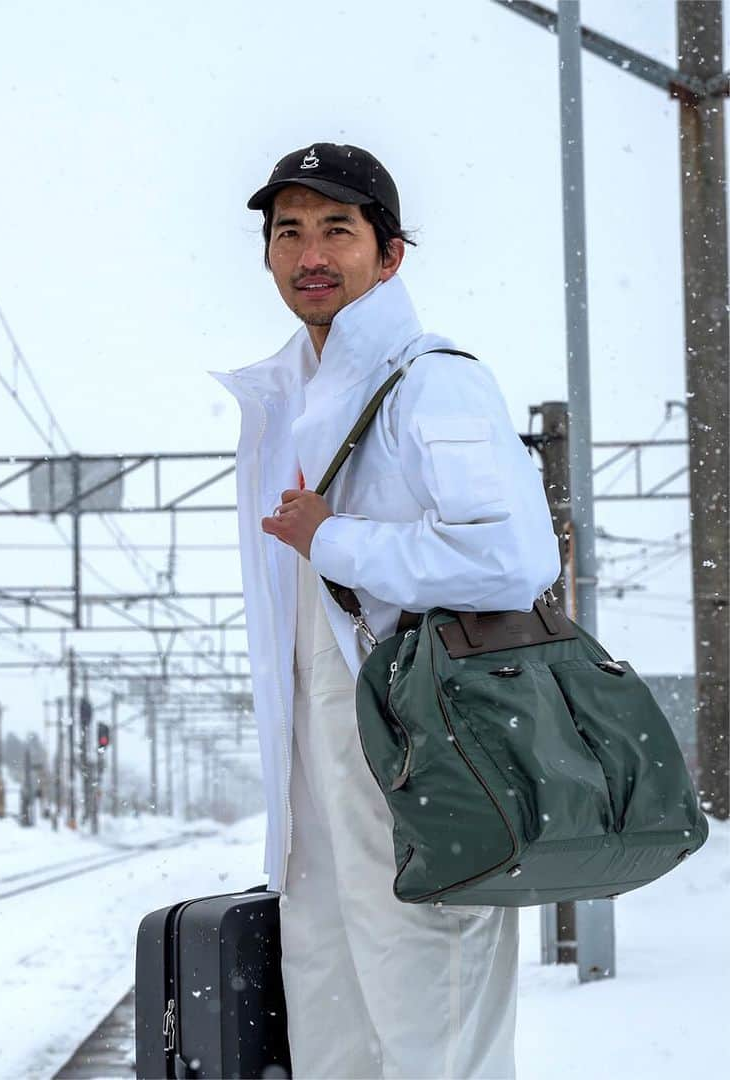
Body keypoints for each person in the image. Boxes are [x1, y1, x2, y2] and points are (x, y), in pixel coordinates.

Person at [211, 143, 561, 1079]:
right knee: (335, 1020)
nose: (310, 253)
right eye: (289, 232)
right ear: (267, 255)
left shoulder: (430, 381)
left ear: (390, 254)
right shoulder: (284, 400)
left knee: (431, 1007)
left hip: (426, 737)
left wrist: (335, 540)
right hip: (322, 753)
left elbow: (511, 560)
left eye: (338, 229)